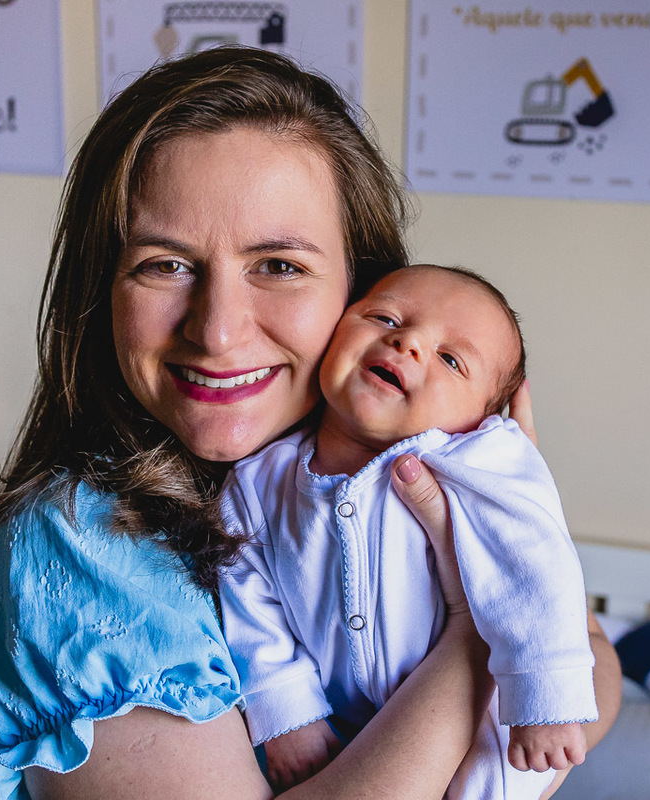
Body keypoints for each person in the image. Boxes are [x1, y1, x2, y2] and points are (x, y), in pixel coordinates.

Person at [0, 46, 620, 800]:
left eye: (279, 266)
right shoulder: (80, 546)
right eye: (164, 264)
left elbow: (591, 664)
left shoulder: (414, 472)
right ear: (101, 295)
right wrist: (473, 633)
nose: (218, 331)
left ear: (360, 288)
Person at [220, 265, 596, 798]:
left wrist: (546, 695)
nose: (408, 341)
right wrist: (288, 712)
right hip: (329, 725)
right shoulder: (259, 482)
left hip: (471, 708)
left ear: (483, 418)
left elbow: (534, 566)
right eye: (383, 317)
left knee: (495, 780)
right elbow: (246, 599)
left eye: (450, 359)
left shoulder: (476, 460)